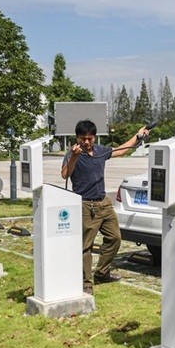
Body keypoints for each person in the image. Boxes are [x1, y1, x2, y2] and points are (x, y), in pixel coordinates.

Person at [61, 119, 149, 295]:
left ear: (95, 137)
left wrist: (138, 137)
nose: (86, 142)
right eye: (82, 138)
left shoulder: (101, 151)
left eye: (90, 138)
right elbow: (65, 174)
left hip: (104, 203)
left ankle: (102, 272)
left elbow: (122, 150)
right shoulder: (73, 153)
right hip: (86, 204)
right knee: (86, 246)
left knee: (115, 238)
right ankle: (86, 284)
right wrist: (75, 157)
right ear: (77, 138)